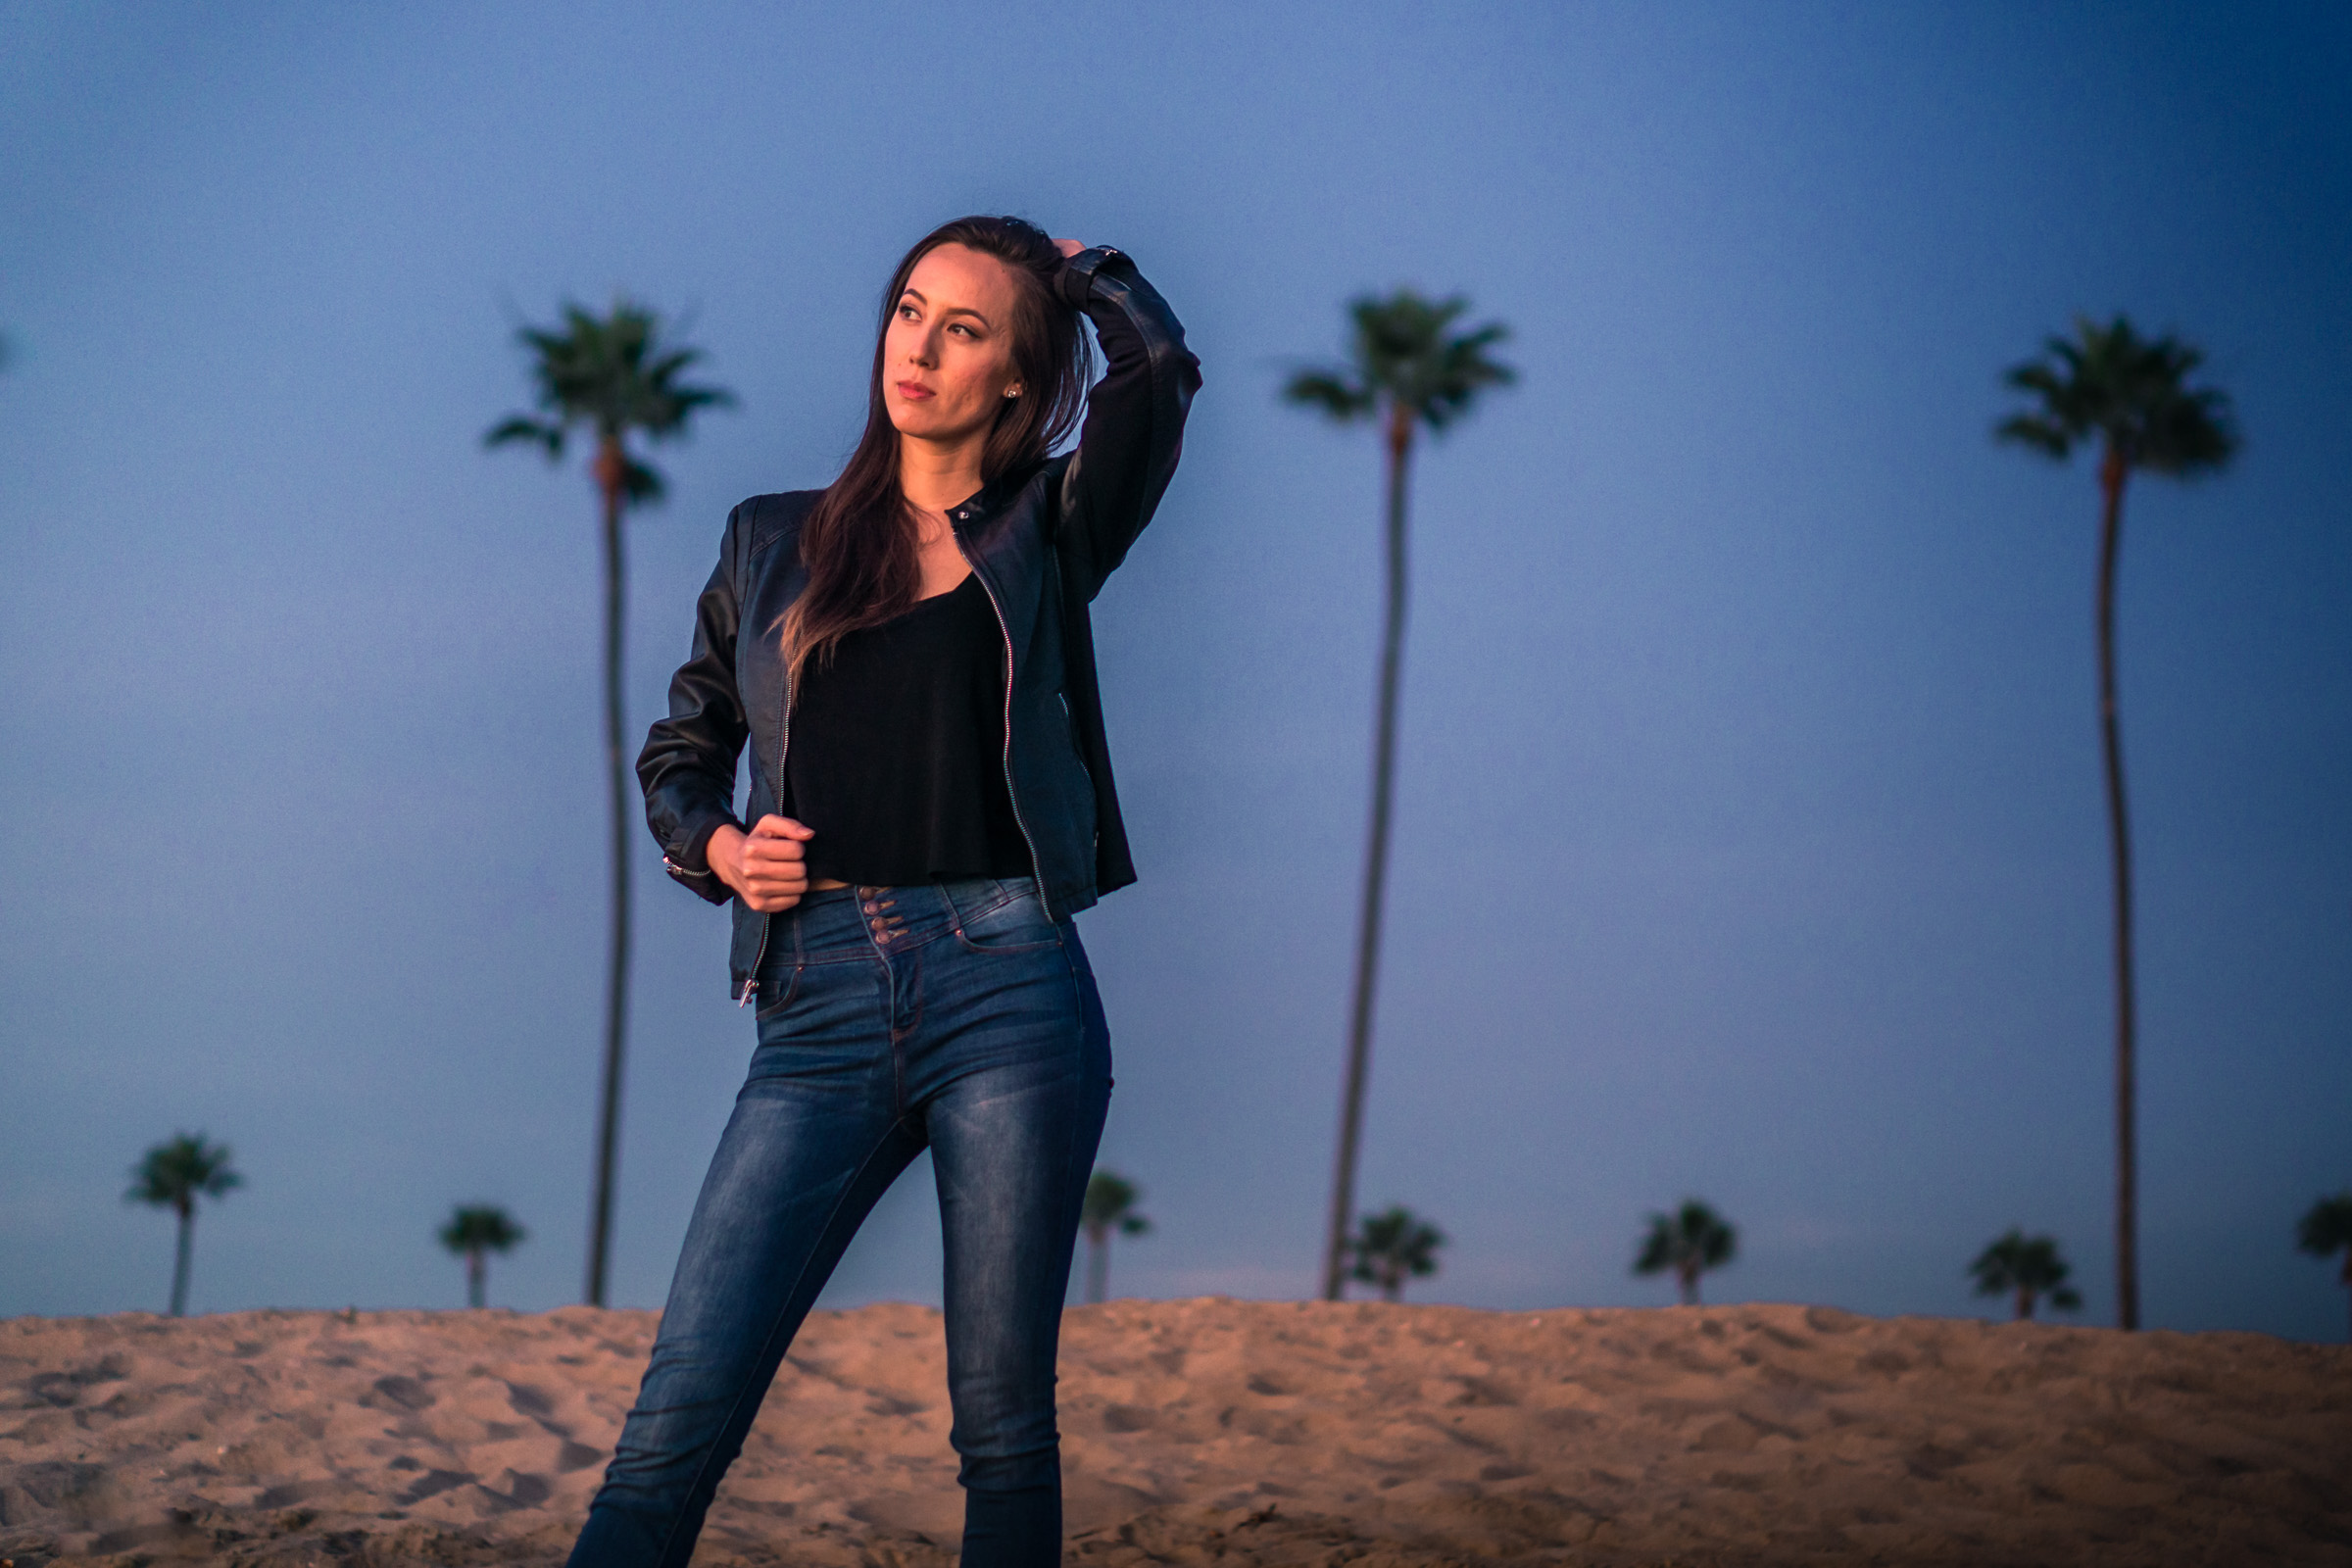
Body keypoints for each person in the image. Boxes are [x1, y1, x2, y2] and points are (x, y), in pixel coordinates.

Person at [567, 216, 1200, 1568]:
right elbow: (683, 753)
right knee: (676, 1418)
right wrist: (722, 851)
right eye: (910, 310)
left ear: (1018, 380)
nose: (918, 345)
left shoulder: (1053, 529)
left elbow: (1158, 373)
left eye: (965, 329)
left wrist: (1087, 277)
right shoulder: (770, 539)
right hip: (816, 1008)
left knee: (1002, 1433)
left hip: (1012, 985)